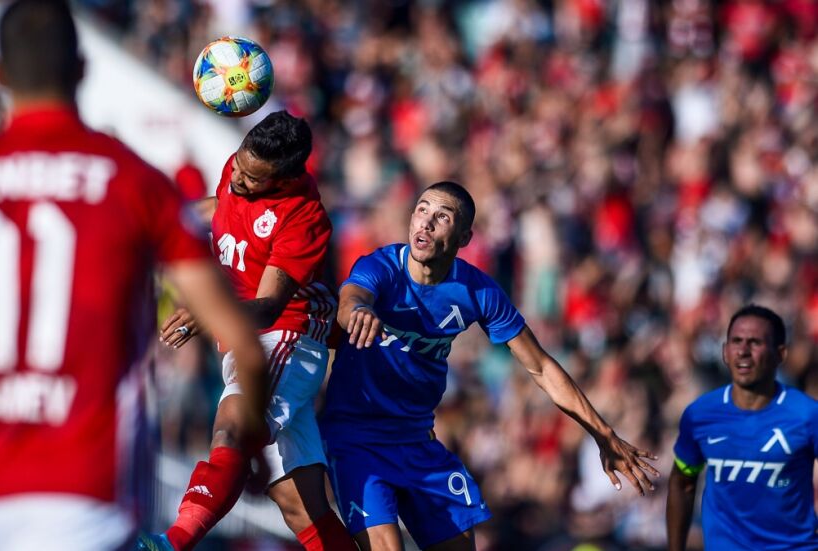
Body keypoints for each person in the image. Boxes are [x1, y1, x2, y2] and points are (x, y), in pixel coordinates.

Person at [0, 1, 269, 550]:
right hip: (88, 490)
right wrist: (247, 451)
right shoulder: (134, 182)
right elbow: (245, 349)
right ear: (82, 69)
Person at [319, 181, 660, 551]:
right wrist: (358, 311)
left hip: (417, 441)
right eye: (421, 209)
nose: (426, 223)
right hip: (357, 438)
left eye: (441, 216)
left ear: (464, 237)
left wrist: (603, 434)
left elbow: (541, 367)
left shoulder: (477, 291)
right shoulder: (382, 266)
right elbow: (352, 297)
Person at [139, 111, 356, 551]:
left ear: (285, 178)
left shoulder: (303, 216)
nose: (239, 177)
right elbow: (221, 206)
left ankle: (171, 544)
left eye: (254, 178)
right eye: (238, 164)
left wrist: (211, 311)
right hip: (251, 339)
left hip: (286, 336)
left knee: (230, 431)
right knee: (300, 506)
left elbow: (271, 304)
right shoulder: (239, 169)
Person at [667, 305, 818, 550]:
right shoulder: (701, 414)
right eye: (736, 341)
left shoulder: (807, 415)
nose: (743, 351)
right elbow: (683, 482)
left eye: (755, 342)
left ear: (780, 354)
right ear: (725, 352)